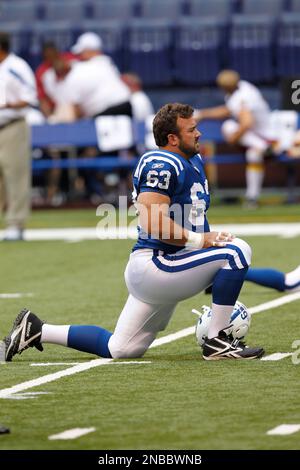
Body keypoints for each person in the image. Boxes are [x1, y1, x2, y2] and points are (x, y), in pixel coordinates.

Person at [3, 103, 264, 362]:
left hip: (173, 263)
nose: (198, 134)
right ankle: (217, 339)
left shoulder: (191, 160)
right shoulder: (160, 162)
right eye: (191, 130)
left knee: (122, 348)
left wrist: (204, 240)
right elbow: (153, 223)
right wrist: (201, 240)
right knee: (237, 251)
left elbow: (191, 216)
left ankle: (36, 329)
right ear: (172, 138)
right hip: (158, 264)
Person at [195, 70, 277, 208]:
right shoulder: (244, 86)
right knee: (253, 155)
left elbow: (247, 122)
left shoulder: (241, 97)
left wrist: (233, 138)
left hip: (264, 136)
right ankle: (252, 198)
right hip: (263, 135)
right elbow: (229, 109)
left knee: (228, 126)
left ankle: (263, 147)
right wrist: (203, 114)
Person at [0, 32, 38, 241]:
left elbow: (30, 97)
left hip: (11, 125)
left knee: (15, 175)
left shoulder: (17, 67)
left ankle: (15, 223)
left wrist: (7, 105)